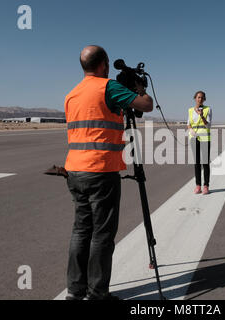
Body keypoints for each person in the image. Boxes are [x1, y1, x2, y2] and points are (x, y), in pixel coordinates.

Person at [64, 45, 153, 300]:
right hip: (101, 170)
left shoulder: (71, 94)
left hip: (74, 170)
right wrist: (138, 89)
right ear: (103, 64)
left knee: (81, 230)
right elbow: (146, 105)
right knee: (102, 234)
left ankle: (75, 291)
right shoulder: (109, 87)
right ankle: (98, 293)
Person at [187, 90, 212, 195]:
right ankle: (198, 186)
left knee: (205, 163)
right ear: (195, 98)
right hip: (193, 138)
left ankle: (206, 186)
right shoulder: (190, 110)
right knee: (197, 163)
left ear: (204, 99)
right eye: (198, 97)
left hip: (205, 138)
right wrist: (190, 130)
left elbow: (208, 125)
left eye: (202, 97)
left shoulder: (208, 109)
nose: (200, 99)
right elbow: (188, 124)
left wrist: (201, 116)